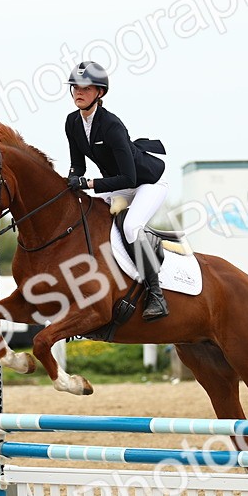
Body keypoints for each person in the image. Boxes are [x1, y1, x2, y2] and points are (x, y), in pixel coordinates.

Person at [64, 61, 170, 321]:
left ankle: (156, 294)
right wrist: (70, 181)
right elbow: (78, 165)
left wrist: (88, 184)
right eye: (75, 87)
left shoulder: (111, 125)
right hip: (116, 185)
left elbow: (129, 177)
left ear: (99, 92)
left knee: (132, 227)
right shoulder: (72, 122)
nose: (79, 91)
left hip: (145, 184)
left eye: (86, 88)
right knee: (82, 215)